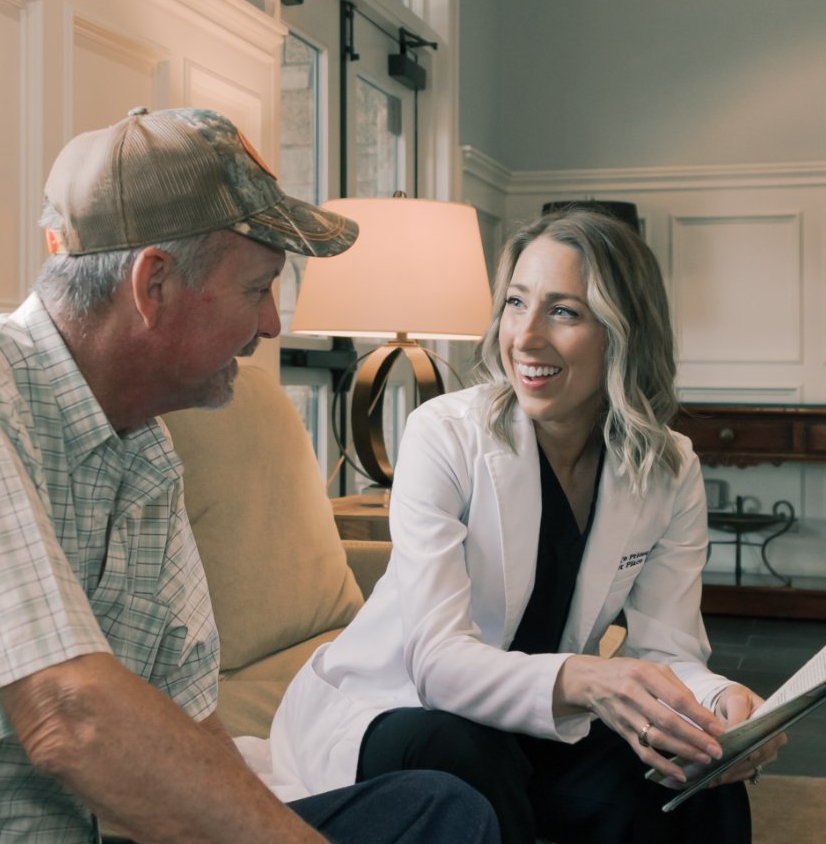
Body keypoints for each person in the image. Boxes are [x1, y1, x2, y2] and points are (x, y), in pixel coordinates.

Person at [0, 107, 499, 844]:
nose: (269, 326)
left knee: (434, 811)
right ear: (152, 284)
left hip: (69, 830)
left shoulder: (144, 453)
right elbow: (68, 715)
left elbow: (192, 734)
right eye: (257, 288)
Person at [263, 208, 783, 844]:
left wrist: (719, 705)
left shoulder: (669, 466)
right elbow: (437, 665)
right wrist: (592, 680)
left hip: (533, 722)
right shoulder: (444, 435)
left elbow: (666, 652)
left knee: (694, 778)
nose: (526, 337)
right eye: (515, 303)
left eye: (563, 311)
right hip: (398, 708)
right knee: (468, 754)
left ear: (624, 332)